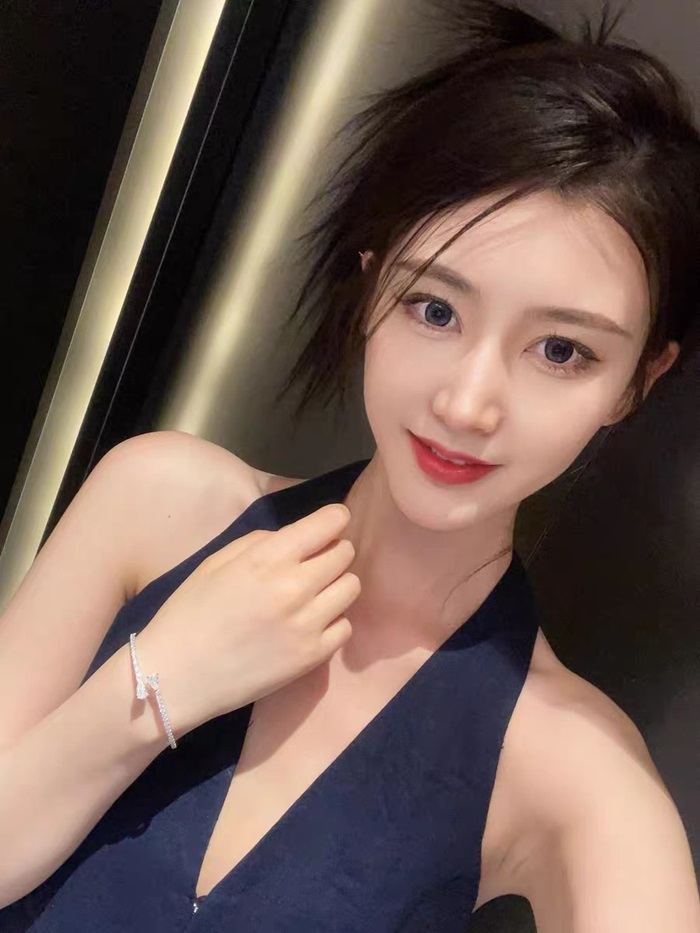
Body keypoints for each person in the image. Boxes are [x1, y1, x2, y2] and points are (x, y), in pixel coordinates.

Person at [0, 1, 699, 929]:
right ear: (372, 288)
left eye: (562, 351)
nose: (468, 404)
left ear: (637, 381)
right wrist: (162, 678)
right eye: (435, 309)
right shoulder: (157, 502)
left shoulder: (575, 770)